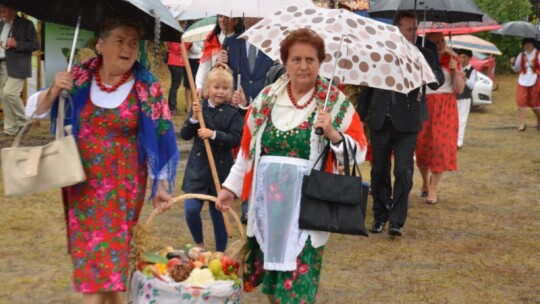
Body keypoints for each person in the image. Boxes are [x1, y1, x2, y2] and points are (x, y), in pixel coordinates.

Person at [26, 15, 179, 304]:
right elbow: (34, 111)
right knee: (98, 266)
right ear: (100, 44)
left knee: (101, 267)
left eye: (133, 43)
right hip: (80, 183)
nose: (127, 48)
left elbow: (162, 136)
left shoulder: (148, 88)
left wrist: (161, 185)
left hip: (123, 189)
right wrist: (54, 89)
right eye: (119, 40)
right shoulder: (78, 77)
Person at [215, 29, 367, 303]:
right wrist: (230, 188)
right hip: (268, 213)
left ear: (320, 62)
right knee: (274, 290)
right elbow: (248, 152)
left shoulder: (333, 102)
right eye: (296, 59)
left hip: (307, 212)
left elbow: (359, 153)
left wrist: (333, 134)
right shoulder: (266, 99)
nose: (304, 66)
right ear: (285, 62)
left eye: (310, 59)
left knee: (296, 292)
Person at [357, 11, 444, 236]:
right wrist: (358, 118)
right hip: (380, 120)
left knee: (404, 173)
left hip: (408, 123)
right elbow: (367, 87)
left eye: (415, 29)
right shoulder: (380, 53)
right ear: (397, 29)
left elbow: (437, 81)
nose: (413, 33)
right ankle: (380, 216)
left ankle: (396, 221)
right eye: (408, 29)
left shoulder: (425, 52)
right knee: (378, 173)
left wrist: (422, 67)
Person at [180, 64, 243, 252]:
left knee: (219, 215)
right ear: (208, 88)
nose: (220, 92)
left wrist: (214, 134)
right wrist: (193, 117)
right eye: (216, 87)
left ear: (229, 91)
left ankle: (220, 252)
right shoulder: (199, 110)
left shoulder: (233, 113)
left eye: (225, 88)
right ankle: (199, 243)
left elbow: (235, 139)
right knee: (191, 209)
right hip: (198, 168)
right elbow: (184, 134)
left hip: (220, 169)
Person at [217, 17, 275, 223]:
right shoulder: (232, 44)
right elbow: (220, 79)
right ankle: (245, 204)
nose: (253, 17)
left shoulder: (275, 44)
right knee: (244, 156)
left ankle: (261, 202)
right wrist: (220, 62)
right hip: (238, 113)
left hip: (267, 110)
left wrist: (252, 101)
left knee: (263, 157)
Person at [416, 32, 465, 205]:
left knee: (441, 148)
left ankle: (433, 188)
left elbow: (459, 89)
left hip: (446, 106)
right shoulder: (420, 58)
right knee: (421, 147)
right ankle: (424, 181)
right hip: (425, 103)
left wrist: (454, 71)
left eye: (441, 41)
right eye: (434, 42)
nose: (439, 45)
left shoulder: (452, 59)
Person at [0, 5, 39, 136]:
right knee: (3, 96)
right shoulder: (1, 24)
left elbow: (35, 45)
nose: (1, 9)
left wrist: (16, 43)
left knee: (9, 93)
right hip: (2, 64)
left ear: (14, 9)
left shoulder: (26, 24)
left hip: (18, 65)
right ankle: (10, 129)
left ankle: (25, 121)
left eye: (4, 6)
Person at [195, 15, 243, 97]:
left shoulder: (241, 41)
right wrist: (200, 85)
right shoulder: (212, 39)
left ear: (236, 21)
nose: (223, 20)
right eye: (220, 17)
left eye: (227, 17)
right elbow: (204, 65)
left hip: (234, 89)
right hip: (215, 88)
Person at [510, 38, 540, 131]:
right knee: (520, 101)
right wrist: (513, 63)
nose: (526, 46)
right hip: (523, 79)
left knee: (534, 103)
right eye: (525, 44)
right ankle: (522, 124)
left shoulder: (538, 54)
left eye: (528, 44)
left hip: (535, 79)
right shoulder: (521, 55)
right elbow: (516, 69)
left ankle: (539, 120)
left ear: (532, 44)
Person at [455, 48, 477, 149]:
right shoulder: (457, 67)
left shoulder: (472, 71)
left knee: (461, 120)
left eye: (463, 57)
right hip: (454, 97)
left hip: (464, 98)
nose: (461, 59)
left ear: (469, 58)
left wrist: (464, 78)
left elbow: (472, 85)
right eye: (460, 56)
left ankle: (459, 142)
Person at [183, 38, 204, 113]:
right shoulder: (192, 35)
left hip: (199, 59)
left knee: (195, 84)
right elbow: (193, 49)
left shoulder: (203, 36)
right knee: (189, 84)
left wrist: (202, 48)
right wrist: (201, 49)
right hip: (191, 60)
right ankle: (188, 106)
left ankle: (193, 105)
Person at [165, 41, 185, 113]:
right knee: (175, 85)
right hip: (176, 62)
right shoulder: (175, 37)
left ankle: (172, 106)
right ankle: (172, 107)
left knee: (175, 85)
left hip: (175, 61)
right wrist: (188, 43)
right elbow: (177, 49)